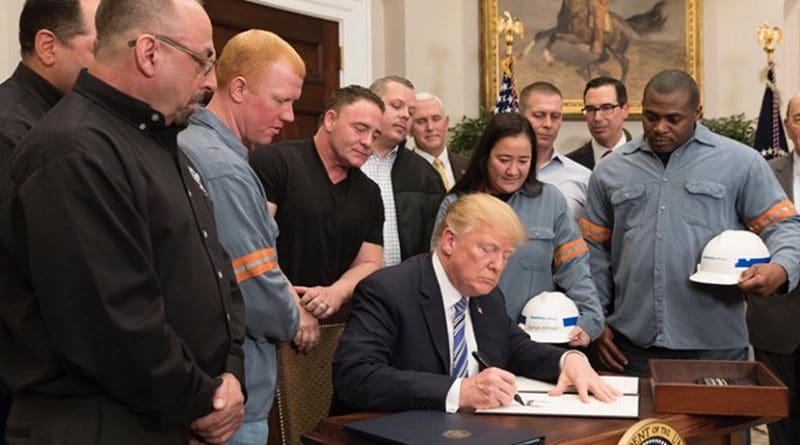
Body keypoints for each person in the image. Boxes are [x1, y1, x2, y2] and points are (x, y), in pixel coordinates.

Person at [0, 0, 247, 443]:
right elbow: (115, 323)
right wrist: (201, 401)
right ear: (149, 53)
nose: (210, 83)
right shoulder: (74, 150)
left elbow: (218, 268)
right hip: (102, 425)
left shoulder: (164, 144)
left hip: (169, 415)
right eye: (202, 62)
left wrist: (230, 373)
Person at [581, 69, 800, 378]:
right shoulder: (610, 171)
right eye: (651, 117)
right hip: (629, 346)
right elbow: (592, 252)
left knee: (721, 429)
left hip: (716, 346)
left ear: (697, 112)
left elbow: (785, 226)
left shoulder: (740, 163)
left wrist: (781, 268)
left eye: (673, 119)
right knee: (639, 430)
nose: (659, 128)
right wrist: (596, 320)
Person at [331, 193, 619, 414]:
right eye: (488, 250)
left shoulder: (487, 296)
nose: (498, 266)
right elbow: (355, 376)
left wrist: (568, 360)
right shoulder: (388, 290)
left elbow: (516, 348)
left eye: (506, 255)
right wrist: (459, 391)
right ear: (449, 242)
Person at [178, 30, 320, 445]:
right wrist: (294, 315)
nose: (291, 115)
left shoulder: (193, 144)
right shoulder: (223, 168)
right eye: (281, 100)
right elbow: (255, 290)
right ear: (238, 88)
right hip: (229, 395)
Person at [435, 112, 603, 347]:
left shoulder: (551, 201)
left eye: (523, 161)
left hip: (535, 342)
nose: (513, 171)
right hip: (470, 341)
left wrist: (591, 321)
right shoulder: (455, 205)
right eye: (503, 160)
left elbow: (574, 266)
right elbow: (438, 276)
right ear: (485, 157)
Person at [249, 85, 384, 324]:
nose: (367, 142)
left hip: (338, 326)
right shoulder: (274, 162)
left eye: (375, 135)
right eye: (360, 129)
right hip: (269, 320)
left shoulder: (370, 192)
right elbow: (254, 245)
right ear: (331, 120)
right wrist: (294, 307)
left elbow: (370, 262)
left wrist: (337, 293)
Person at [746, 92, 800, 445]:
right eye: (799, 118)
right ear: (786, 125)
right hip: (778, 321)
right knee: (783, 426)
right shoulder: (763, 173)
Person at [0, 0, 99, 168]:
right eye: (99, 48)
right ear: (47, 48)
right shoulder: (8, 132)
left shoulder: (79, 111)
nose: (113, 61)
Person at [362, 76, 445, 267]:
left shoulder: (425, 174)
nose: (406, 115)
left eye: (411, 111)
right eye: (396, 105)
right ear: (371, 104)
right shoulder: (348, 161)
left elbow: (433, 245)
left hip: (403, 288)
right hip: (343, 288)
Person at [519, 81, 591, 220]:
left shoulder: (583, 178)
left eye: (555, 116)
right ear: (522, 116)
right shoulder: (504, 173)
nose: (548, 124)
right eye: (539, 115)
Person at [567, 76, 631, 170]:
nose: (597, 118)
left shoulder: (647, 160)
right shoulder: (571, 165)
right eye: (590, 109)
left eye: (606, 108)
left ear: (625, 110)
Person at [410, 92, 469, 190]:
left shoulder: (468, 167)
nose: (430, 127)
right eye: (421, 121)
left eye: (436, 119)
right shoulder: (402, 170)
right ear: (410, 129)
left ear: (446, 123)